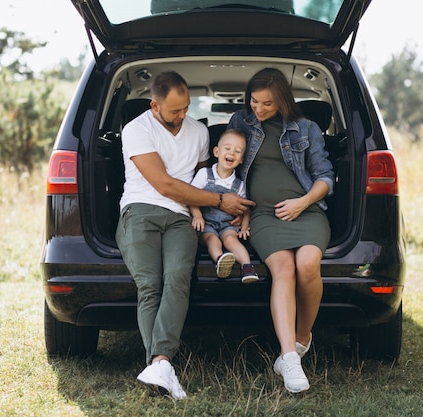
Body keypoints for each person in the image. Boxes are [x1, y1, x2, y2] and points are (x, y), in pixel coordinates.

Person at [115, 71, 255, 400]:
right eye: (175, 110)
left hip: (182, 216)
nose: (182, 116)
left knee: (178, 276)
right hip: (140, 210)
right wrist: (220, 201)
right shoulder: (137, 129)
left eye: (186, 108)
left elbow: (204, 179)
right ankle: (161, 364)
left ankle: (159, 365)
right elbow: (164, 184)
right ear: (155, 105)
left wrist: (217, 209)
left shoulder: (199, 131)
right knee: (150, 284)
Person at [227, 68, 334, 393]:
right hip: (263, 216)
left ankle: (302, 339)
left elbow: (326, 177)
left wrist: (301, 203)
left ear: (283, 101)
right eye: (254, 101)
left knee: (307, 266)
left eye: (267, 105)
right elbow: (227, 162)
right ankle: (289, 357)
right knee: (284, 269)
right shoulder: (241, 123)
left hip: (307, 211)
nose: (258, 109)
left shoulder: (307, 128)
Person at [189, 129, 259, 284]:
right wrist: (197, 216)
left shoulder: (239, 184)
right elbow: (192, 197)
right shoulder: (204, 174)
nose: (231, 153)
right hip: (206, 224)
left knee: (231, 239)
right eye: (227, 149)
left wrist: (245, 225)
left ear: (241, 160)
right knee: (212, 239)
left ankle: (247, 267)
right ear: (216, 151)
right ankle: (220, 260)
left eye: (237, 151)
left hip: (228, 224)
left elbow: (246, 207)